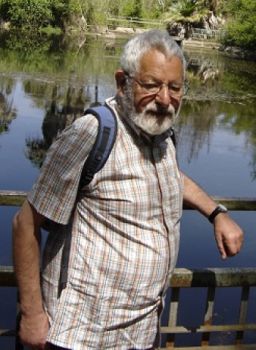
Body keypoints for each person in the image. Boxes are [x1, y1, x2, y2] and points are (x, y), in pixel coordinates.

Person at [12, 29, 243, 350]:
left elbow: (173, 176)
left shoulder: (162, 134)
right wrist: (32, 315)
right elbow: (25, 225)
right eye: (151, 85)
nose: (165, 99)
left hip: (140, 333)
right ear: (123, 82)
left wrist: (216, 213)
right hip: (81, 336)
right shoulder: (91, 133)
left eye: (175, 87)